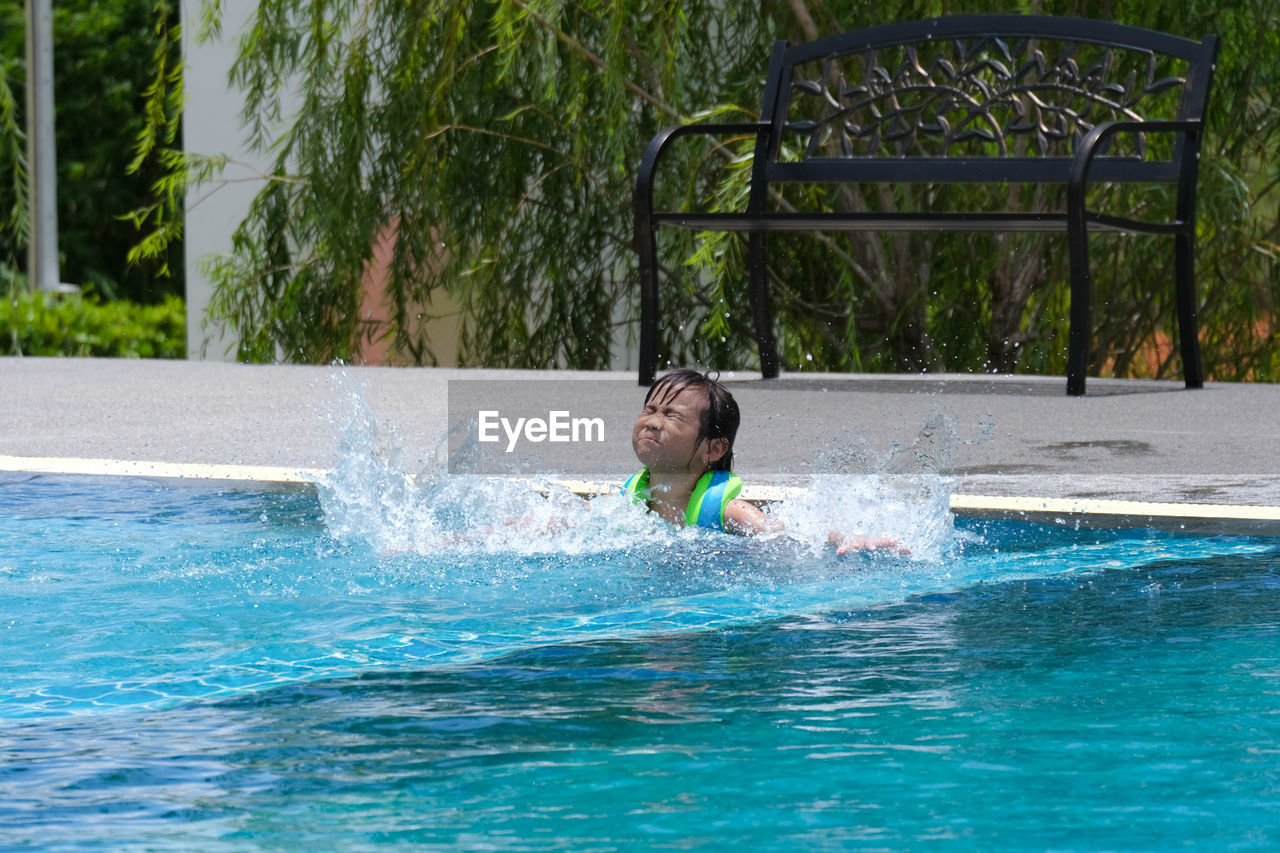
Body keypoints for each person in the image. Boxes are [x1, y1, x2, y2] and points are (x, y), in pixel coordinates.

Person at [622, 369, 905, 554]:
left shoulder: (728, 512)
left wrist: (847, 539)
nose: (652, 423)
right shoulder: (630, 500)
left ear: (714, 449)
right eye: (650, 409)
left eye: (672, 415)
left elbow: (791, 532)